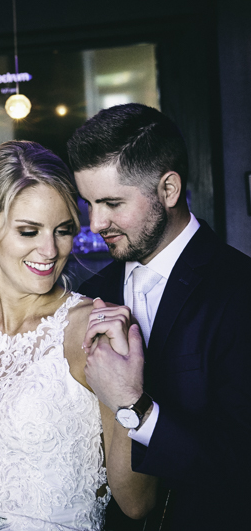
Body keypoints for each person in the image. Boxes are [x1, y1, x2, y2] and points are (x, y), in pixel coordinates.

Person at [0, 140, 156, 530]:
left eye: (62, 231)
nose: (50, 250)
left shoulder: (94, 331)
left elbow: (137, 503)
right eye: (29, 231)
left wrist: (130, 395)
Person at [69, 104, 251, 530]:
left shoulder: (239, 288)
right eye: (89, 204)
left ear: (168, 189)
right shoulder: (89, 295)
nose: (95, 223)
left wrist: (136, 408)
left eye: (112, 203)